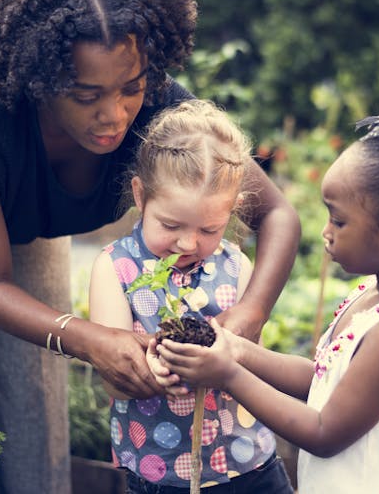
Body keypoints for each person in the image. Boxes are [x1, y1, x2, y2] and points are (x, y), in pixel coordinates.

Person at [0, 0, 301, 493]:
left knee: (35, 396)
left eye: (129, 89)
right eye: (86, 96)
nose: (115, 116)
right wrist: (93, 339)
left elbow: (279, 215)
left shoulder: (160, 110)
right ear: (39, 83)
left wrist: (247, 317)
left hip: (27, 218)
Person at [151, 94, 379, 493]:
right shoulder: (373, 294)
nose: (325, 231)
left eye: (338, 220)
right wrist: (239, 351)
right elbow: (321, 381)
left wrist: (229, 375)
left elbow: (325, 432)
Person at [89, 99, 295, 493]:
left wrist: (230, 356)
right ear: (140, 195)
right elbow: (113, 379)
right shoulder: (115, 268)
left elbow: (254, 360)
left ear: (232, 211)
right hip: (162, 471)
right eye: (170, 225)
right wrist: (151, 370)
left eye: (210, 229)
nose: (187, 242)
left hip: (248, 463)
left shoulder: (236, 267)